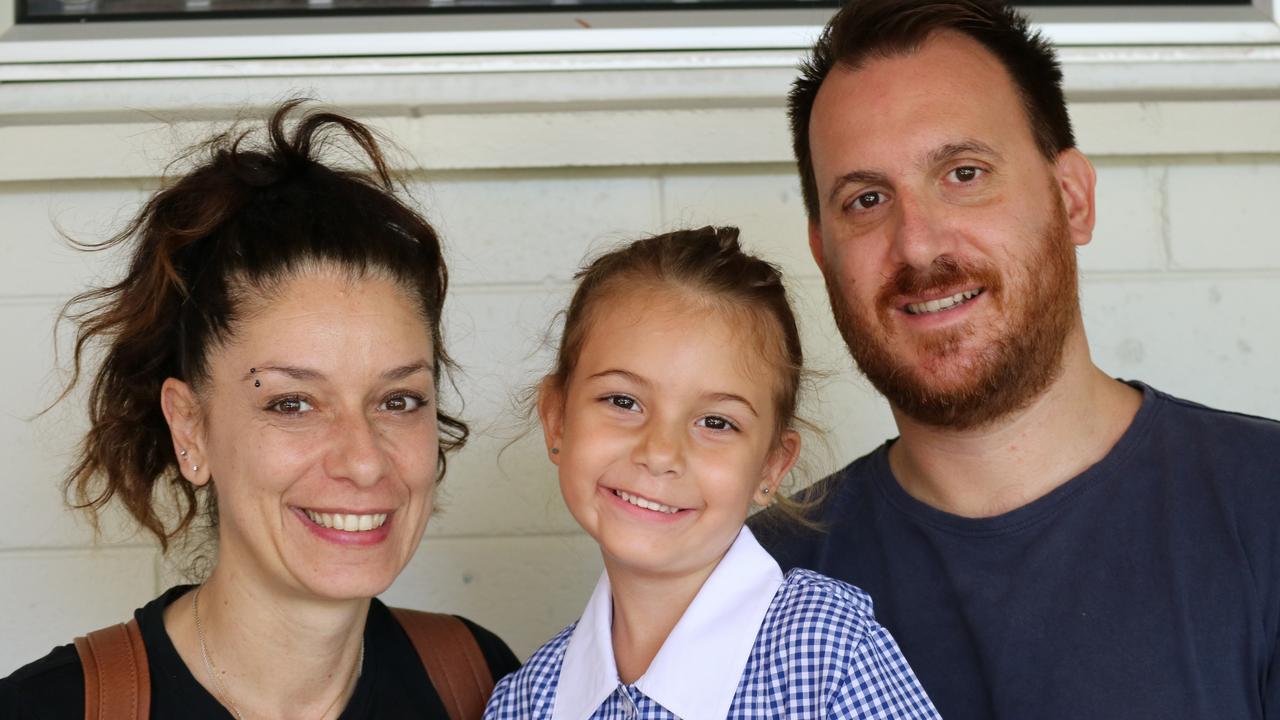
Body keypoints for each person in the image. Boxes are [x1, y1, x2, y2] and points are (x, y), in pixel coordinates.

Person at [749, 1, 1280, 719]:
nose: (917, 245)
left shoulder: (1264, 507)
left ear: (1072, 200)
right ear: (823, 252)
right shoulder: (754, 582)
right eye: (867, 199)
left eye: (964, 173)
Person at [0, 101, 519, 719]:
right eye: (293, 403)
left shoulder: (480, 681)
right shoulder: (47, 709)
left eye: (397, 400)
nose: (363, 461)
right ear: (190, 428)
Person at [484, 226, 939, 718]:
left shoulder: (827, 653)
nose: (660, 453)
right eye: (623, 401)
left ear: (771, 466)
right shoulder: (527, 701)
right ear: (557, 418)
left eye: (716, 422)